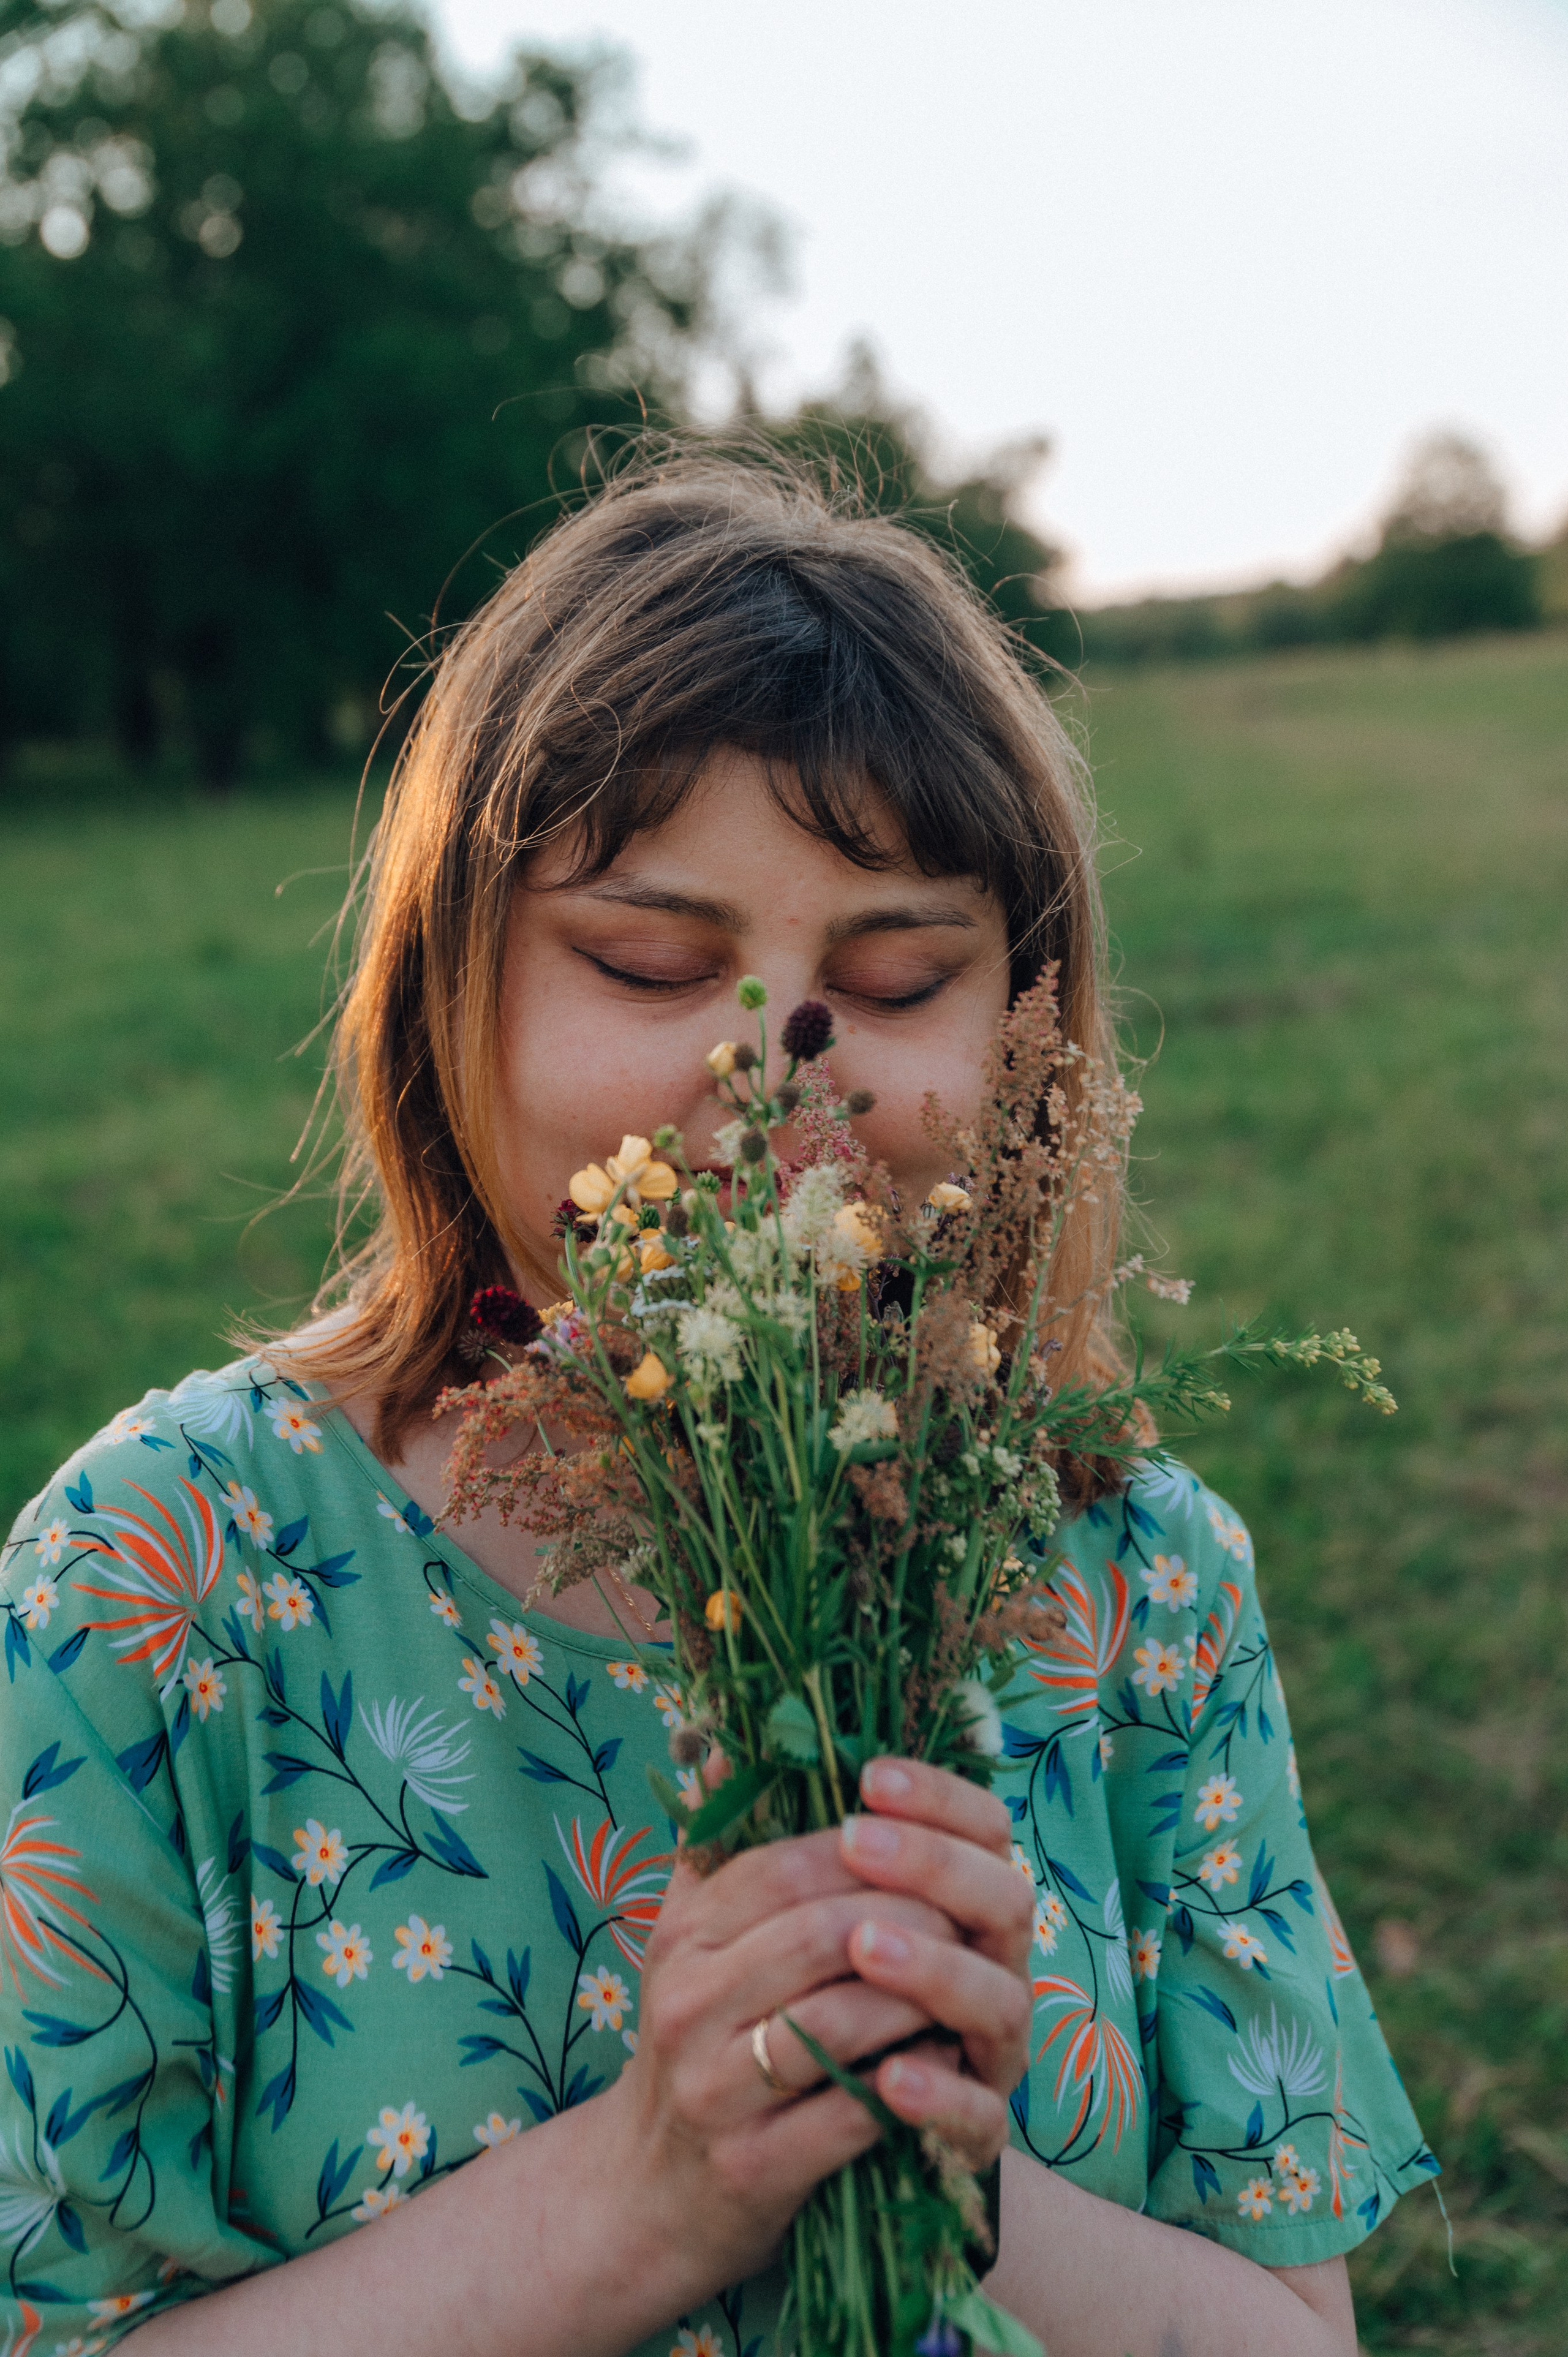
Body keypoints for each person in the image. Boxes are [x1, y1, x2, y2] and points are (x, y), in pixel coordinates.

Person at [0, 456, 1435, 2357]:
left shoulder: (1135, 1584)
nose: (771, 1074)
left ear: (1025, 1036)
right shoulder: (158, 1585)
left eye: (898, 976)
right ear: (456, 984)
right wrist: (645, 2197)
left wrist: (951, 2165)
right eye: (652, 964)